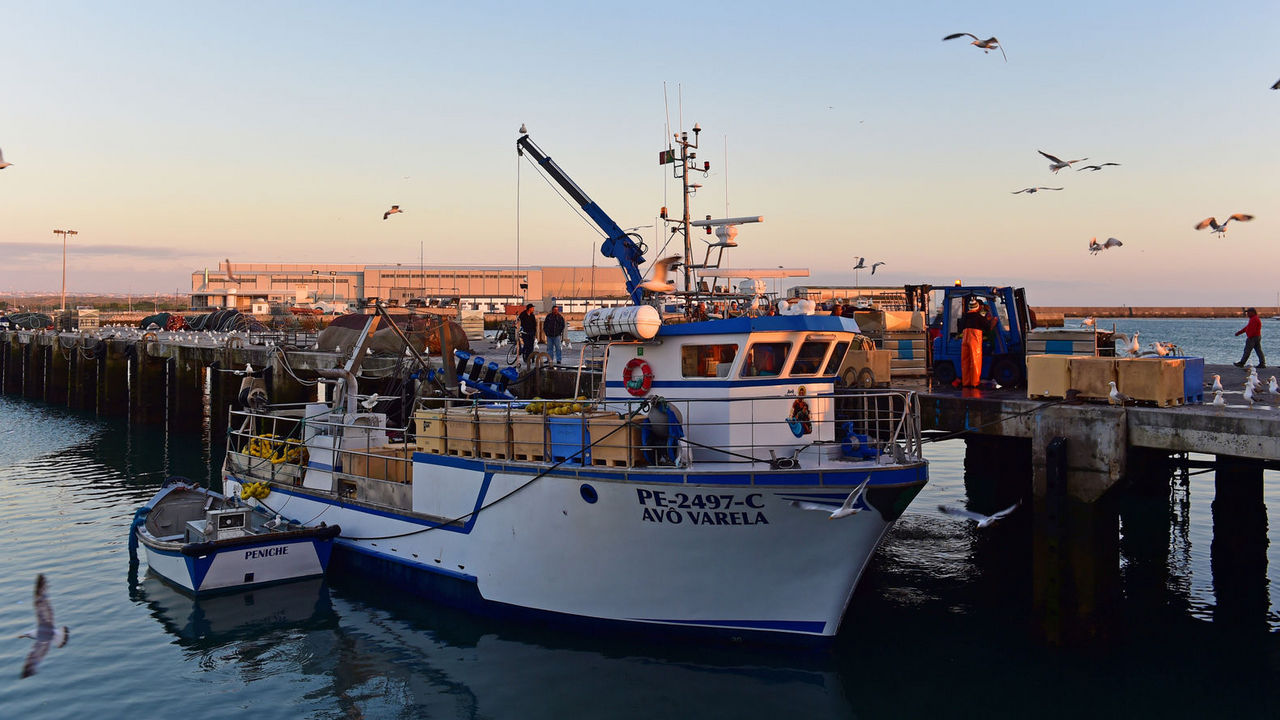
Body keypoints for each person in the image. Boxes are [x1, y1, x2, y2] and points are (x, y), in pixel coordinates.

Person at [957, 296, 997, 388]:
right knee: (975, 360)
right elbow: (988, 327)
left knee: (965, 361)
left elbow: (960, 328)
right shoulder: (979, 317)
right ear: (977, 307)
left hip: (965, 339)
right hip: (974, 339)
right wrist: (993, 321)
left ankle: (966, 383)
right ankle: (975, 383)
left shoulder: (965, 316)